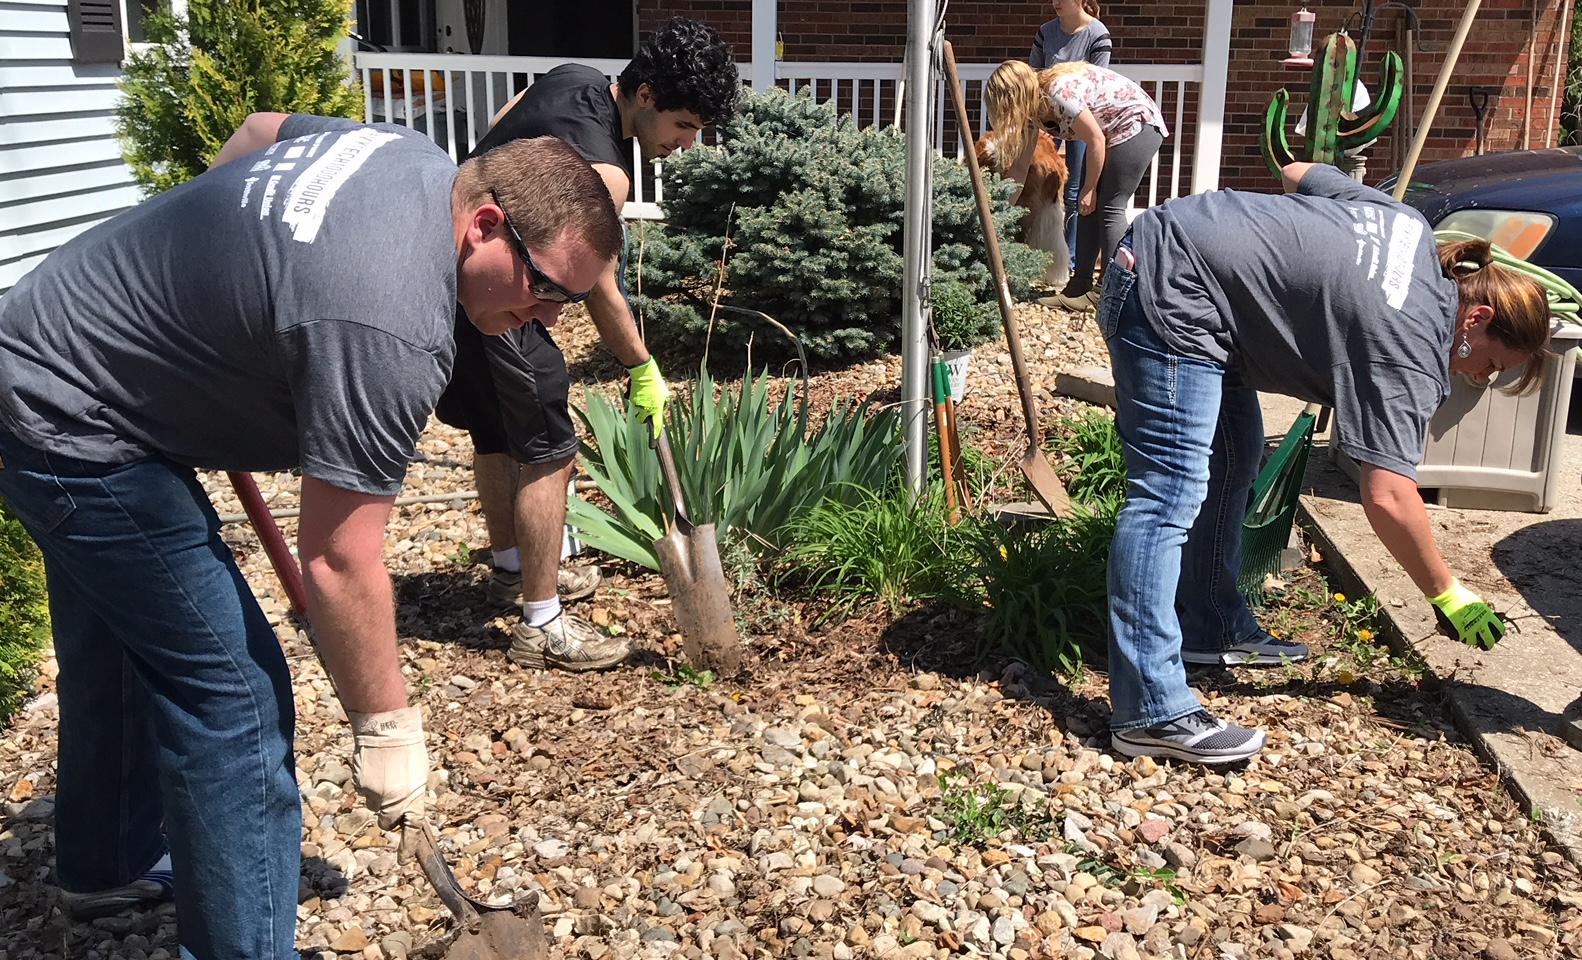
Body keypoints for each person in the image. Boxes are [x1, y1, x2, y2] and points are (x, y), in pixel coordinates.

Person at [0, 113, 622, 956]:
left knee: (122, 641)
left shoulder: (411, 155)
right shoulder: (389, 322)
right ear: (485, 224)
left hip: (47, 341)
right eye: (549, 289)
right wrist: (387, 728)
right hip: (73, 419)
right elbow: (337, 561)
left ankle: (105, 861)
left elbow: (259, 132)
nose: (547, 319)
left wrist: (217, 286)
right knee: (234, 698)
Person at [1098, 160, 1551, 764]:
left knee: (1234, 459)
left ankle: (1209, 626)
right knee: (1167, 497)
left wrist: (1288, 260)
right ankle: (1150, 711)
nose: (1482, 376)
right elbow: (1388, 494)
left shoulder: (1410, 229)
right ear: (1477, 318)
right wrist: (1448, 593)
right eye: (1492, 364)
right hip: (1170, 292)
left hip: (1185, 254)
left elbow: (1298, 172)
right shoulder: (1410, 350)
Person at [435, 17, 741, 672]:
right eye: (685, 125)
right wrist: (641, 365)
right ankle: (541, 625)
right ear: (649, 95)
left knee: (494, 434)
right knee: (549, 454)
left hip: (459, 273)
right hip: (510, 303)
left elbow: (499, 130)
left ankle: (511, 570)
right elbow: (599, 288)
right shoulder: (608, 173)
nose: (687, 145)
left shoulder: (573, 80)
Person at [985, 58, 1166, 313]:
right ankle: (1079, 286)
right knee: (1087, 208)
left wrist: (1090, 188)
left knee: (1109, 207)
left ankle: (1111, 292)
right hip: (1108, 135)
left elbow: (1095, 140)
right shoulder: (1031, 113)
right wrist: (1001, 214)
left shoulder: (1058, 94)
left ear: (1015, 97)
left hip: (1136, 125)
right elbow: (1019, 170)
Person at [1029, 0, 1113, 282]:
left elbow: (1098, 83)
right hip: (1048, 115)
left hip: (1082, 118)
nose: (1055, 2)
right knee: (1037, 182)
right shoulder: (1045, 32)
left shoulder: (1097, 34)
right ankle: (1039, 259)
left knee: (1077, 190)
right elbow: (1034, 77)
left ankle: (1072, 263)